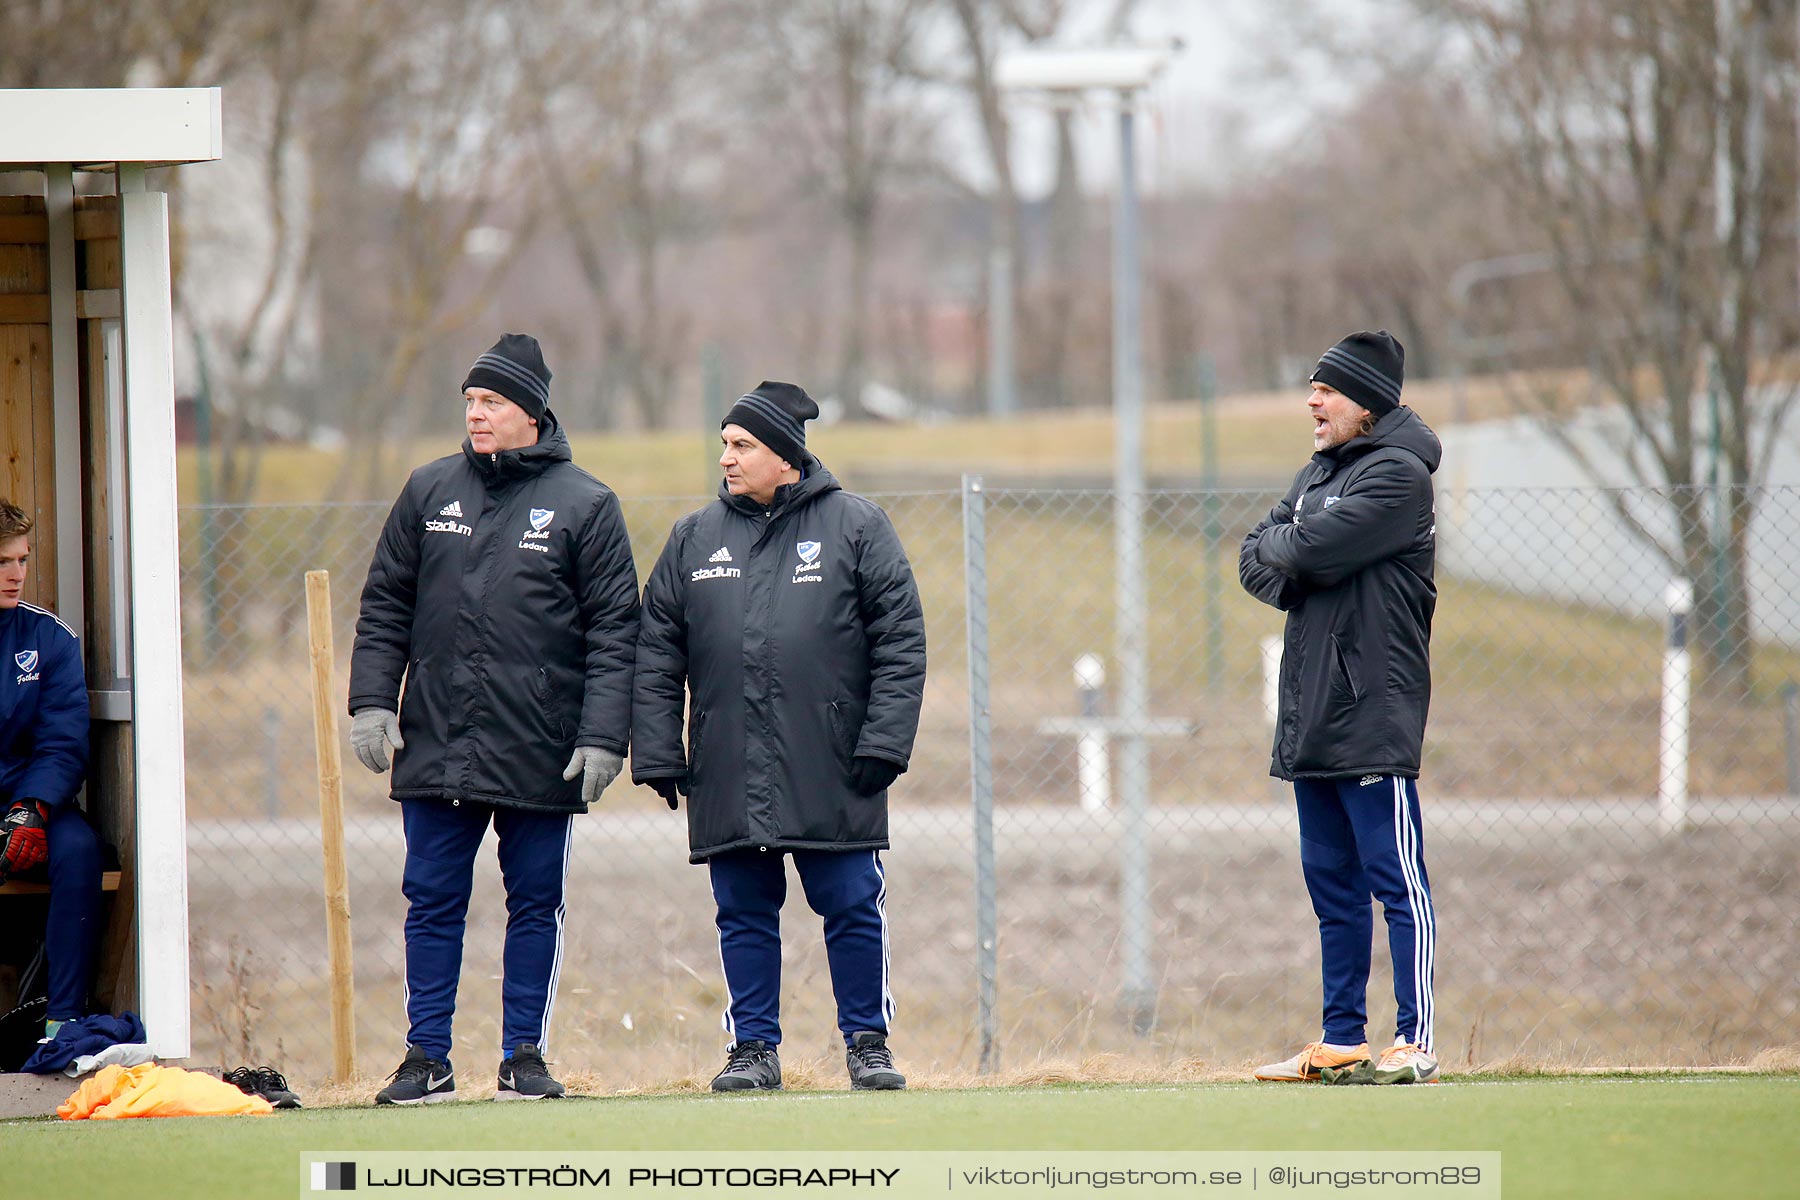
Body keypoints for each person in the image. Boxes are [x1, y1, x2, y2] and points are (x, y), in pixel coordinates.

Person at [348, 333, 641, 1104]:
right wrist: (373, 700)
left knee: (534, 903)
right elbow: (384, 606)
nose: (477, 414)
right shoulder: (428, 490)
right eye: (471, 401)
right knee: (431, 900)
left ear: (532, 412)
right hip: (438, 740)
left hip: (541, 748)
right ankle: (426, 1059)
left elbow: (618, 630)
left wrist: (606, 735)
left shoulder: (588, 503)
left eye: (493, 402)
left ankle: (524, 1057)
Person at [632, 381, 926, 1092]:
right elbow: (656, 651)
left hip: (834, 764)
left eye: (742, 446)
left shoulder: (858, 525)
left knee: (853, 904)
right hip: (728, 764)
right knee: (742, 912)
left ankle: (867, 1044)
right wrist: (662, 749)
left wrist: (883, 743)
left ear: (786, 457)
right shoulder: (692, 537)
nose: (726, 458)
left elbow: (901, 641)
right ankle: (752, 1051)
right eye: (725, 445)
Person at [1238, 330, 1442, 1086]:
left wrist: (1299, 545)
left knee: (1397, 881)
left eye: (1326, 389)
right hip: (1311, 718)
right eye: (1311, 387)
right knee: (1332, 888)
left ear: (1367, 401)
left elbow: (1301, 550)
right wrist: (1300, 545)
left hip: (1372, 717)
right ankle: (1342, 1038)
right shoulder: (1319, 472)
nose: (1312, 401)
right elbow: (1254, 559)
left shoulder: (1398, 476)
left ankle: (1415, 1038)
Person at [0, 500, 103, 1040]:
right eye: (1, 562)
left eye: (21, 560)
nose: (15, 574)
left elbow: (65, 741)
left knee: (79, 850)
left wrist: (31, 808)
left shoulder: (49, 638)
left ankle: (63, 1022)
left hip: (30, 801)